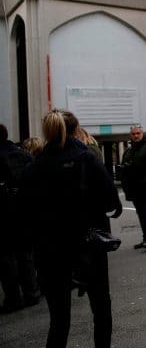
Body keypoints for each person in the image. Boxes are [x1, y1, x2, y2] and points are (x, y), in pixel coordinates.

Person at [19, 110, 121, 347]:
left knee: (59, 319)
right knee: (101, 311)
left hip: (49, 251)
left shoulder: (34, 167)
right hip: (87, 247)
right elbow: (111, 203)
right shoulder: (86, 159)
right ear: (75, 130)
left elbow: (24, 212)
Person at [0, 124, 40, 313]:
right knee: (25, 254)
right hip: (24, 211)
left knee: (6, 258)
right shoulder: (23, 155)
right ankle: (31, 292)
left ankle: (13, 298)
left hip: (3, 214)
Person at [120, 125, 146, 250]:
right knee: (141, 213)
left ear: (142, 134)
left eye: (138, 133)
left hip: (145, 187)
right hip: (133, 188)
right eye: (133, 134)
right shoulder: (128, 151)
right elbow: (124, 168)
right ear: (130, 135)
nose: (136, 135)